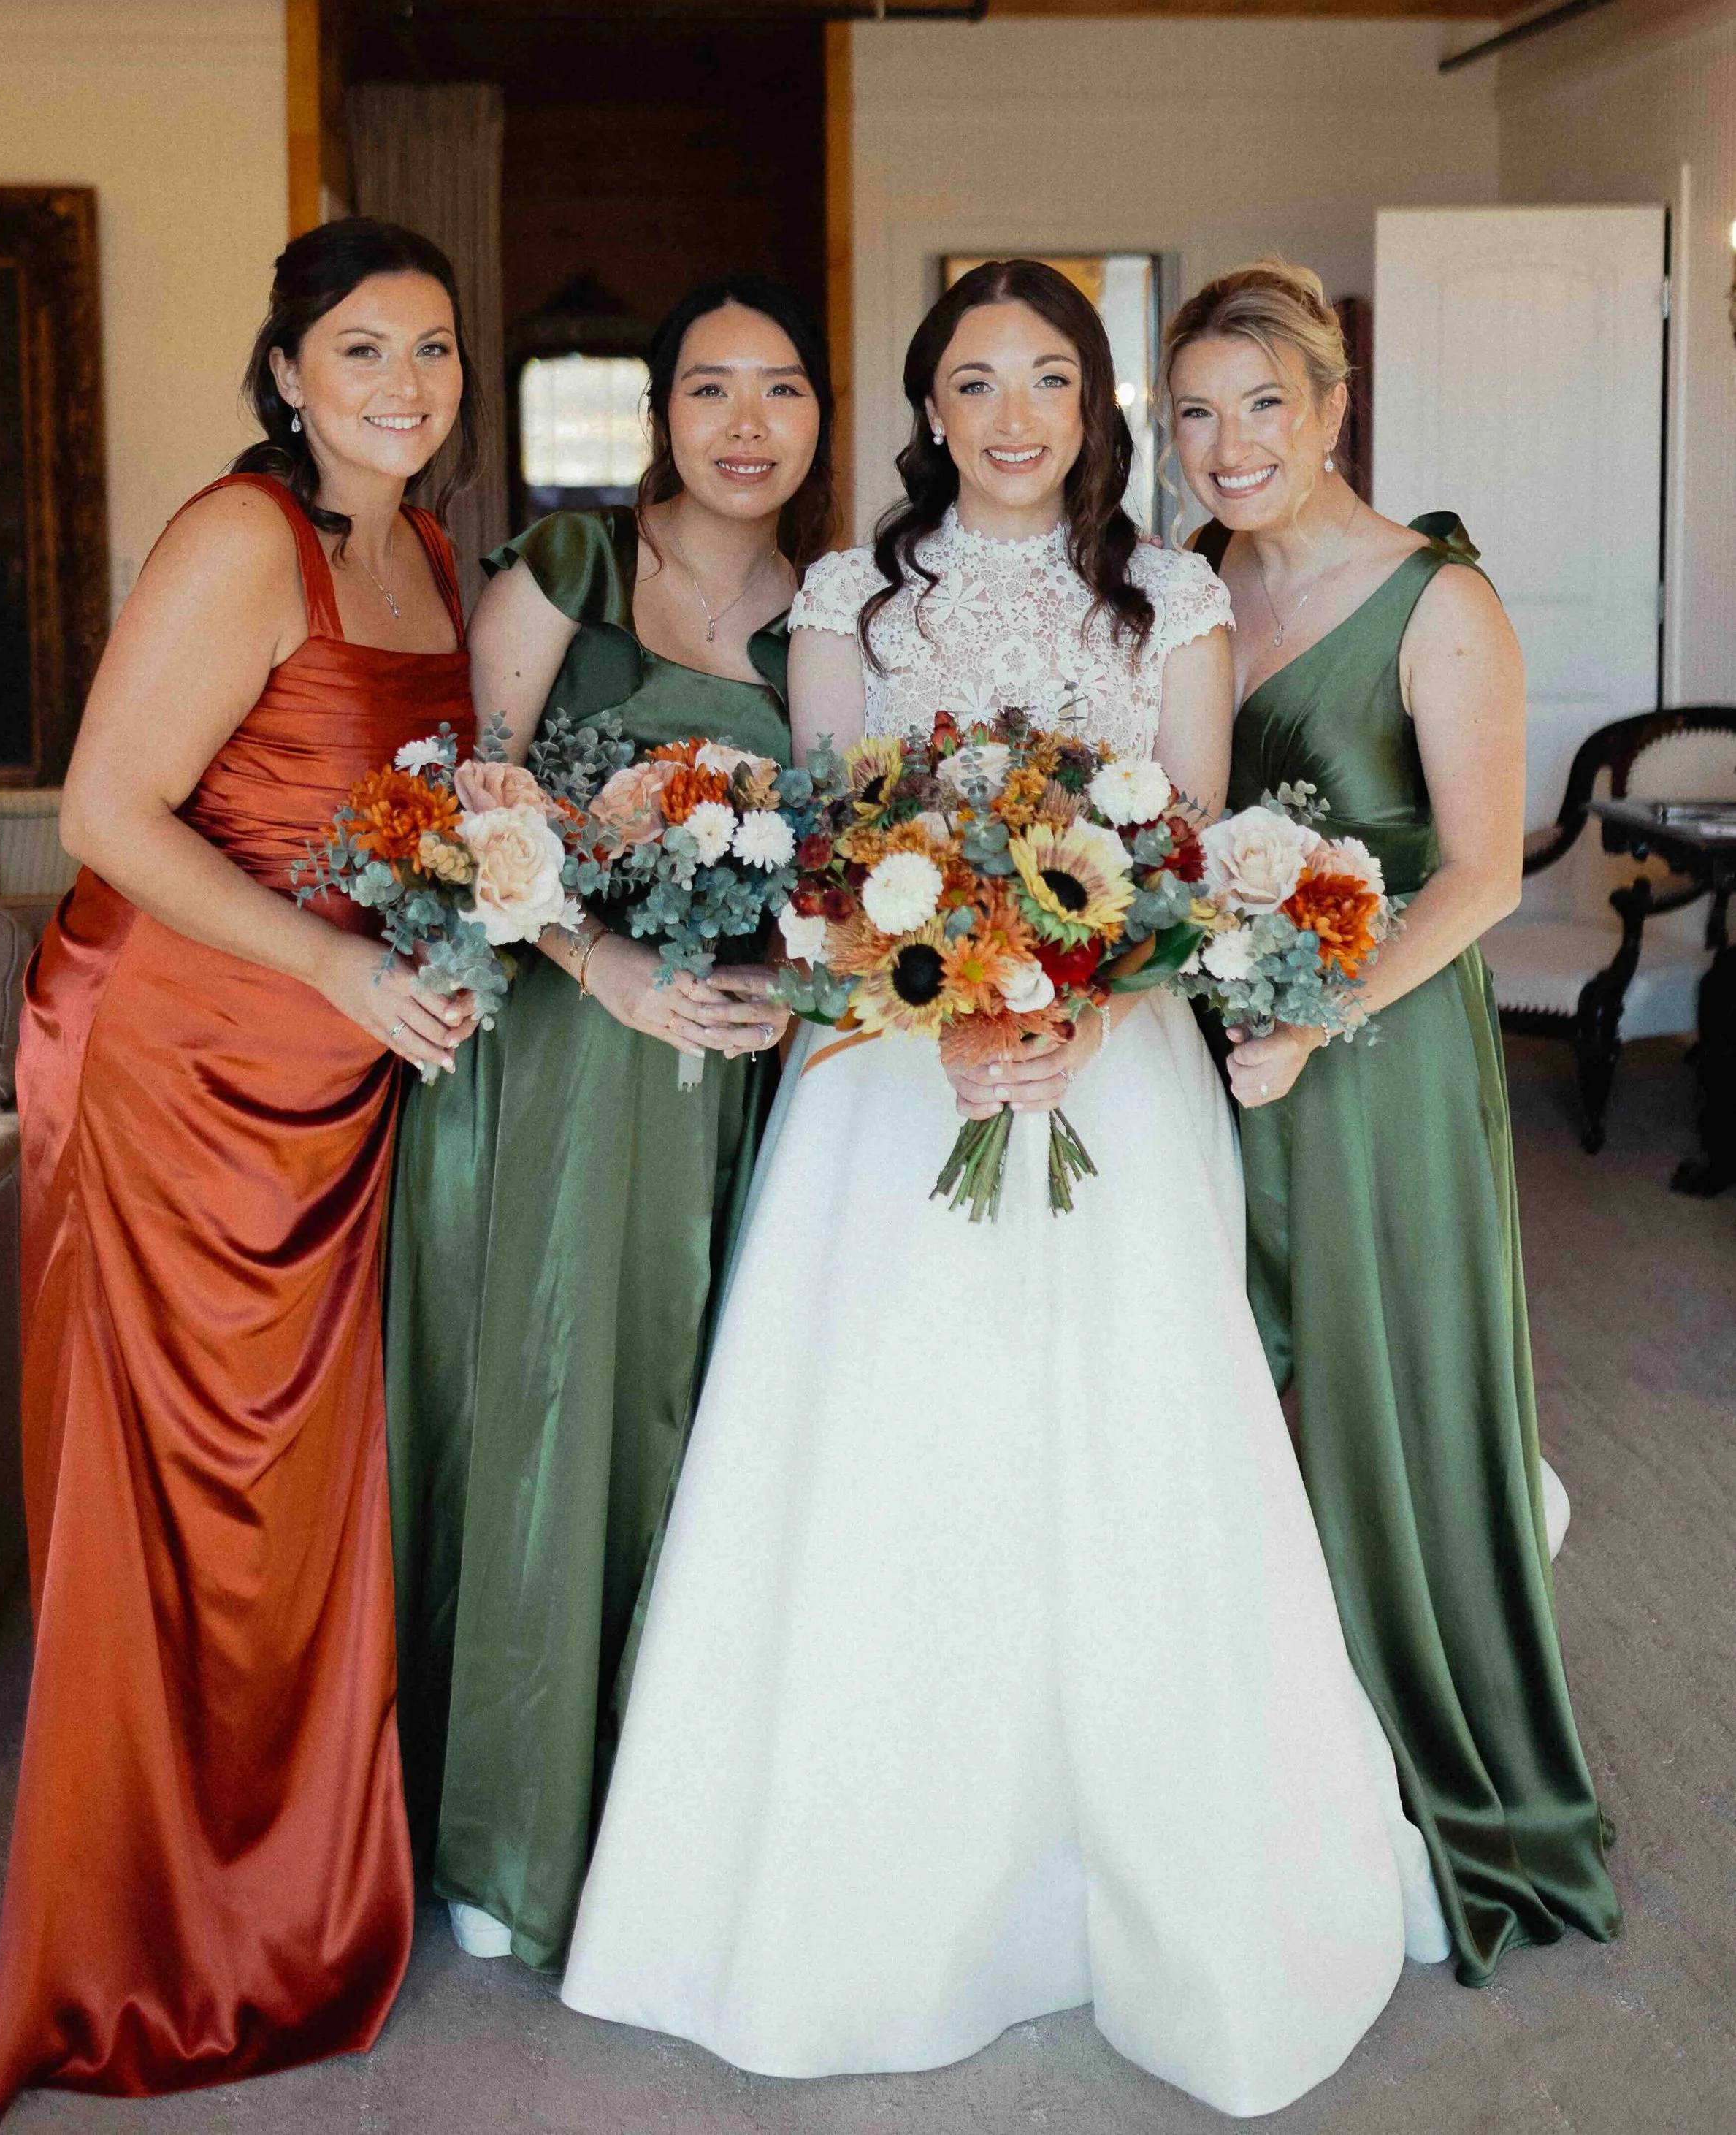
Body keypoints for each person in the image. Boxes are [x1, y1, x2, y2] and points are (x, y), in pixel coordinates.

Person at [560, 261, 1448, 2115]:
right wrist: (938, 1020)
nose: (1015, 414)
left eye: (1050, 377)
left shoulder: (1174, 596)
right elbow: (819, 866)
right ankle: (871, 1890)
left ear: (1094, 405)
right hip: (889, 1095)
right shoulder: (845, 599)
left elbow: (1188, 866)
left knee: (1126, 1463)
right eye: (975, 380)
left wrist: (1073, 1011)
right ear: (926, 408)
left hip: (1112, 1086)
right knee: (900, 1464)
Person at [0, 218, 483, 2130]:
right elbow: (104, 813)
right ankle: (140, 1942)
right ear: (285, 373)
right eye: (362, 347)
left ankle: (281, 1890)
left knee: (289, 1504)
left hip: (325, 1084)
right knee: (168, 1506)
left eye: (432, 348)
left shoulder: (419, 548)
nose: (402, 382)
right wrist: (345, 961)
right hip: (174, 1059)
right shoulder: (239, 535)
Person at [1163, 258, 1621, 1985]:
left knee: (1384, 1389)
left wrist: (1311, 1017)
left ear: (1331, 406)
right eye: (1193, 414)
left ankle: (1456, 1778)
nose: (1227, 444)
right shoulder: (1194, 590)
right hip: (1213, 1051)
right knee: (1231, 1409)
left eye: (1260, 404)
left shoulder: (1431, 598)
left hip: (1371, 1066)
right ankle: (1286, 1784)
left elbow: (1486, 871)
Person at [383, 275, 834, 1975]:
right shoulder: (568, 571)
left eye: (777, 388)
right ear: (659, 415)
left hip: (748, 1074)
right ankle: (514, 1822)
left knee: (723, 1411)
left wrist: (784, 994)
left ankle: (679, 1815)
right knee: (567, 1398)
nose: (742, 423)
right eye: (706, 387)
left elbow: (859, 849)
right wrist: (604, 959)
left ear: (817, 413)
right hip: (572, 1064)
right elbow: (462, 806)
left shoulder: (841, 609)